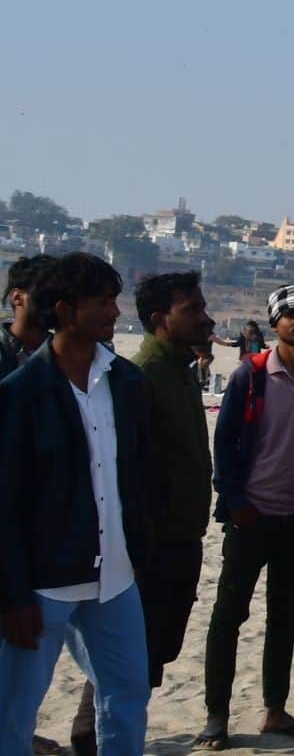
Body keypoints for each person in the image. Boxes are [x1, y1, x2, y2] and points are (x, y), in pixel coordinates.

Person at [0, 253, 151, 756]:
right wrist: (14, 594)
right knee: (15, 710)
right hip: (44, 583)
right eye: (102, 301)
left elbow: (140, 475)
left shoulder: (127, 383)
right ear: (65, 309)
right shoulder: (21, 394)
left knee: (127, 695)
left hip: (116, 576)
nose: (114, 310)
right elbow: (6, 504)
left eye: (115, 298)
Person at [67, 273, 215, 756]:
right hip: (152, 543)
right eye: (191, 309)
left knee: (154, 652)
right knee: (130, 656)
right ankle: (92, 738)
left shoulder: (179, 368)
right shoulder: (144, 375)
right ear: (159, 319)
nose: (204, 317)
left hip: (181, 536)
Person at [201, 282, 294, 749]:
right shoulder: (252, 374)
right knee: (229, 615)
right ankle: (216, 718)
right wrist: (235, 500)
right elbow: (225, 445)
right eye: (290, 315)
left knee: (285, 615)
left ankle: (275, 710)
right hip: (251, 515)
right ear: (274, 322)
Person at [0, 253, 53, 380]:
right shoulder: (3, 351)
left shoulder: (64, 355)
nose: (53, 302)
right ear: (17, 297)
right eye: (46, 293)